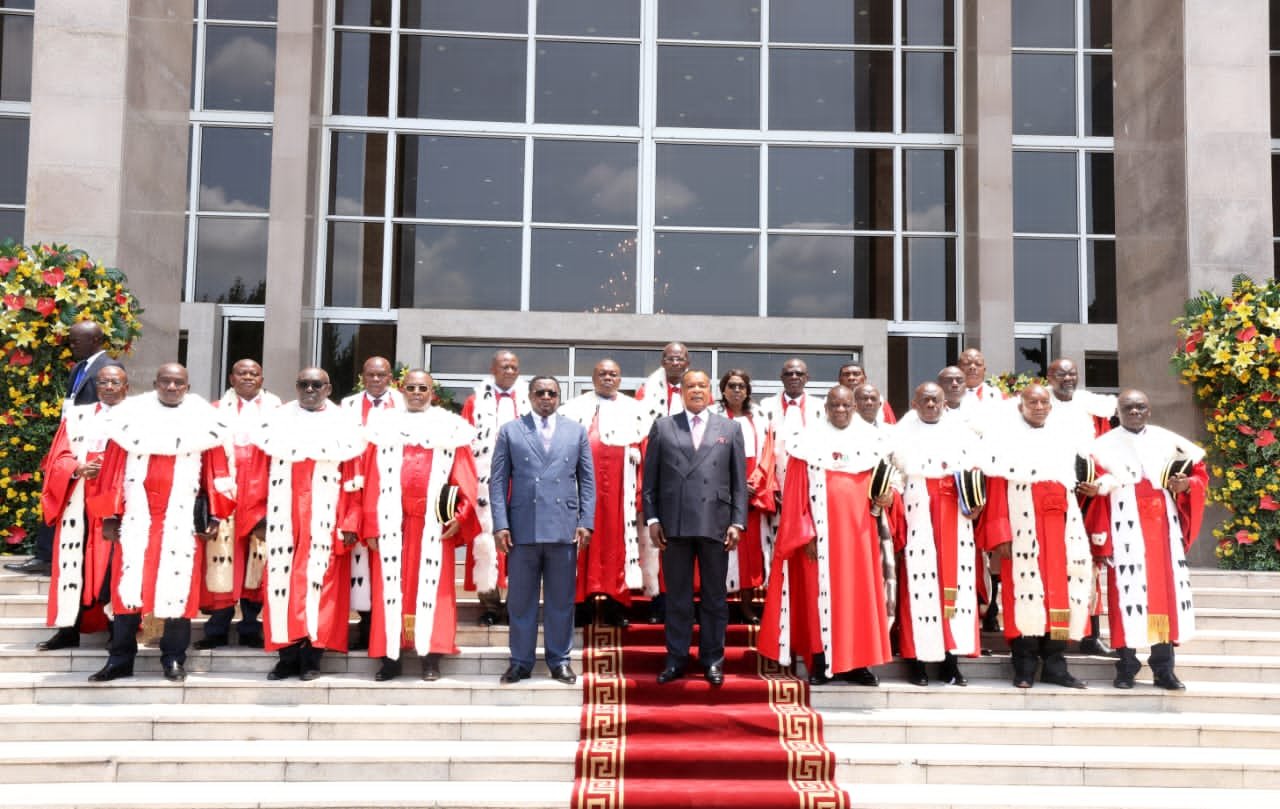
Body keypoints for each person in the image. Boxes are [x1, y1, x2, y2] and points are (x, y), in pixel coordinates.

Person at [83, 363, 234, 682]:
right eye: (165, 381)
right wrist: (110, 514)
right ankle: (121, 658)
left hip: (180, 518)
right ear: (155, 383)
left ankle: (174, 658)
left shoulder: (204, 422)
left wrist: (217, 514)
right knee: (128, 587)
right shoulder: (129, 419)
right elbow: (111, 471)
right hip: (137, 516)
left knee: (178, 588)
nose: (171, 387)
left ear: (187, 386)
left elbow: (217, 473)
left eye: (178, 382)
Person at [758, 385, 893, 687]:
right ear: (826, 408)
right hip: (818, 539)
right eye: (835, 406)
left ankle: (857, 664)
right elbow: (794, 497)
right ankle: (820, 662)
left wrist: (888, 499)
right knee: (818, 599)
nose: (841, 411)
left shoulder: (873, 442)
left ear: (854, 408)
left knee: (857, 598)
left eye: (846, 406)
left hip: (859, 537)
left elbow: (885, 490)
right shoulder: (807, 443)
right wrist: (804, 536)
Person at [357, 370, 481, 682]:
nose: (416, 392)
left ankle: (431, 657)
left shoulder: (450, 428)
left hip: (433, 525)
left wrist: (460, 514)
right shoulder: (383, 427)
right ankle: (390, 659)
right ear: (401, 390)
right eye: (410, 387)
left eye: (422, 388)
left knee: (434, 592)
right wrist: (371, 527)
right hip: (391, 525)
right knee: (390, 589)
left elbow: (464, 477)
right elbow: (371, 481)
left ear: (432, 392)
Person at [1087, 390, 1207, 691]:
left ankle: (1163, 668)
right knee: (1125, 596)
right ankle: (1126, 666)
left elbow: (1198, 474)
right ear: (1118, 411)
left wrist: (1186, 484)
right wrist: (1098, 487)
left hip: (1162, 531)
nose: (1135, 412)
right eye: (1128, 407)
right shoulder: (1101, 446)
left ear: (1149, 410)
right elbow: (1094, 478)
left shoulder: (1168, 440)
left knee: (1163, 596)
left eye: (1141, 406)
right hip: (1123, 526)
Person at [253, 368, 366, 681]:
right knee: (280, 586)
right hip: (283, 521)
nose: (310, 389)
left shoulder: (346, 425)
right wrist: (258, 517)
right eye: (304, 384)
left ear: (328, 388)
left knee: (322, 587)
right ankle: (286, 657)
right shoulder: (275, 421)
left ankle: (313, 658)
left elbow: (355, 482)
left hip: (325, 523)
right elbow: (258, 474)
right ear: (297, 386)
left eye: (317, 384)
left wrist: (349, 523)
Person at [979, 385, 1093, 690]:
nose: (1039, 406)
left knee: (1062, 592)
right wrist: (1000, 533)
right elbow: (996, 492)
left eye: (1044, 401)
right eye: (1033, 402)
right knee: (1023, 593)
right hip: (1022, 525)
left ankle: (1056, 665)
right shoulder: (1003, 440)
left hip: (1061, 526)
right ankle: (1025, 666)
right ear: (1021, 406)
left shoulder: (1065, 436)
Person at [643, 370, 747, 687]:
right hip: (674, 524)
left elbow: (739, 483)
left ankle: (713, 660)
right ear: (682, 392)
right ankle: (676, 659)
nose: (697, 391)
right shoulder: (663, 426)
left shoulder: (729, 428)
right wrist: (652, 519)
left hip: (716, 523)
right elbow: (650, 482)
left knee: (715, 598)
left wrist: (737, 521)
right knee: (678, 597)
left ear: (710, 391)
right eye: (691, 386)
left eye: (702, 385)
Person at [490, 376, 594, 686]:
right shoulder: (511, 430)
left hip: (563, 527)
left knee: (561, 599)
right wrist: (501, 524)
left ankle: (559, 661)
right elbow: (497, 482)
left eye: (551, 393)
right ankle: (520, 662)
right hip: (523, 528)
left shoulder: (575, 431)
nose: (546, 397)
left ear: (559, 397)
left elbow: (586, 481)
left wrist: (585, 521)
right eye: (540, 392)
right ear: (530, 396)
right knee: (521, 600)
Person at [887, 383, 981, 687]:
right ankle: (917, 662)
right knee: (918, 584)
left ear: (945, 403)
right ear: (914, 403)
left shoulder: (962, 432)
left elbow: (975, 473)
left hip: (954, 511)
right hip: (917, 509)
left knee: (953, 585)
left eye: (936, 400)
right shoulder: (900, 433)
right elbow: (892, 477)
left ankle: (951, 662)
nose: (931, 404)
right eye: (925, 400)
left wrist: (975, 503)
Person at [9, 321, 117, 577]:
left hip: (87, 454)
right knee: (55, 497)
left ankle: (52, 558)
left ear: (94, 341)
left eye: (76, 341)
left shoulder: (108, 369)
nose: (71, 345)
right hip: (68, 447)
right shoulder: (81, 367)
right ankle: (46, 556)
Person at [34, 363, 127, 651]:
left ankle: (117, 629)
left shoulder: (138, 418)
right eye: (103, 382)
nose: (109, 387)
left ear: (127, 388)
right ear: (96, 386)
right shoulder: (77, 417)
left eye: (115, 382)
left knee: (114, 565)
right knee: (75, 565)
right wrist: (77, 468)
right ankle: (68, 630)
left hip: (118, 500)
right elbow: (58, 457)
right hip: (80, 500)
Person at [558, 360, 651, 627]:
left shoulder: (636, 410)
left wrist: (640, 491)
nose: (608, 378)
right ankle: (581, 605)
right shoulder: (573, 409)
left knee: (616, 546)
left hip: (621, 492)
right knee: (581, 546)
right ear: (593, 377)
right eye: (602, 373)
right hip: (581, 492)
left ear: (620, 379)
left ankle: (615, 604)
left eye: (613, 374)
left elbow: (645, 451)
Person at [197, 359, 281, 650]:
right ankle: (217, 629)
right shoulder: (215, 411)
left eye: (254, 373)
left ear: (261, 378)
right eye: (242, 373)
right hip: (226, 498)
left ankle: (249, 627)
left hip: (262, 499)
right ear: (231, 378)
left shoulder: (278, 411)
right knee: (223, 562)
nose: (248, 377)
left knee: (257, 563)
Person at [1045, 357, 1118, 656]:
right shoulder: (1036, 405)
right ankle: (1051, 635)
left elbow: (1106, 455)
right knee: (1050, 567)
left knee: (1088, 566)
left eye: (1072, 373)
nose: (1068, 378)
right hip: (1050, 499)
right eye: (1061, 374)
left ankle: (1091, 634)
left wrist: (1100, 484)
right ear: (1049, 377)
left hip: (1088, 499)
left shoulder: (1093, 412)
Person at [340, 356, 406, 650]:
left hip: (391, 493)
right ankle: (364, 627)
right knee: (360, 565)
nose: (376, 380)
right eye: (371, 375)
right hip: (355, 490)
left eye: (382, 375)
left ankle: (386, 628)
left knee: (387, 566)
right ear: (363, 377)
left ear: (391, 377)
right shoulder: (348, 406)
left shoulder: (405, 405)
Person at [460, 349, 529, 627]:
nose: (509, 371)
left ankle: (517, 605)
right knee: (485, 543)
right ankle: (489, 605)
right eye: (504, 366)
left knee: (521, 545)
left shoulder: (531, 400)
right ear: (493, 368)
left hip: (521, 483)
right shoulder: (474, 402)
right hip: (484, 484)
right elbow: (464, 446)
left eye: (513, 366)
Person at [712, 369, 778, 624]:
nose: (737, 390)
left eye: (741, 386)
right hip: (721, 492)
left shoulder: (759, 419)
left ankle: (746, 606)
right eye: (732, 386)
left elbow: (767, 455)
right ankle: (718, 606)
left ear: (748, 390)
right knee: (720, 550)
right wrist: (733, 484)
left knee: (749, 553)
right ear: (723, 390)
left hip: (753, 491)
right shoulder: (713, 419)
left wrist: (754, 483)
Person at [636, 342, 689, 421]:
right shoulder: (646, 391)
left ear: (687, 363)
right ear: (663, 363)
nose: (675, 363)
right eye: (670, 359)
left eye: (680, 359)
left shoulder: (699, 389)